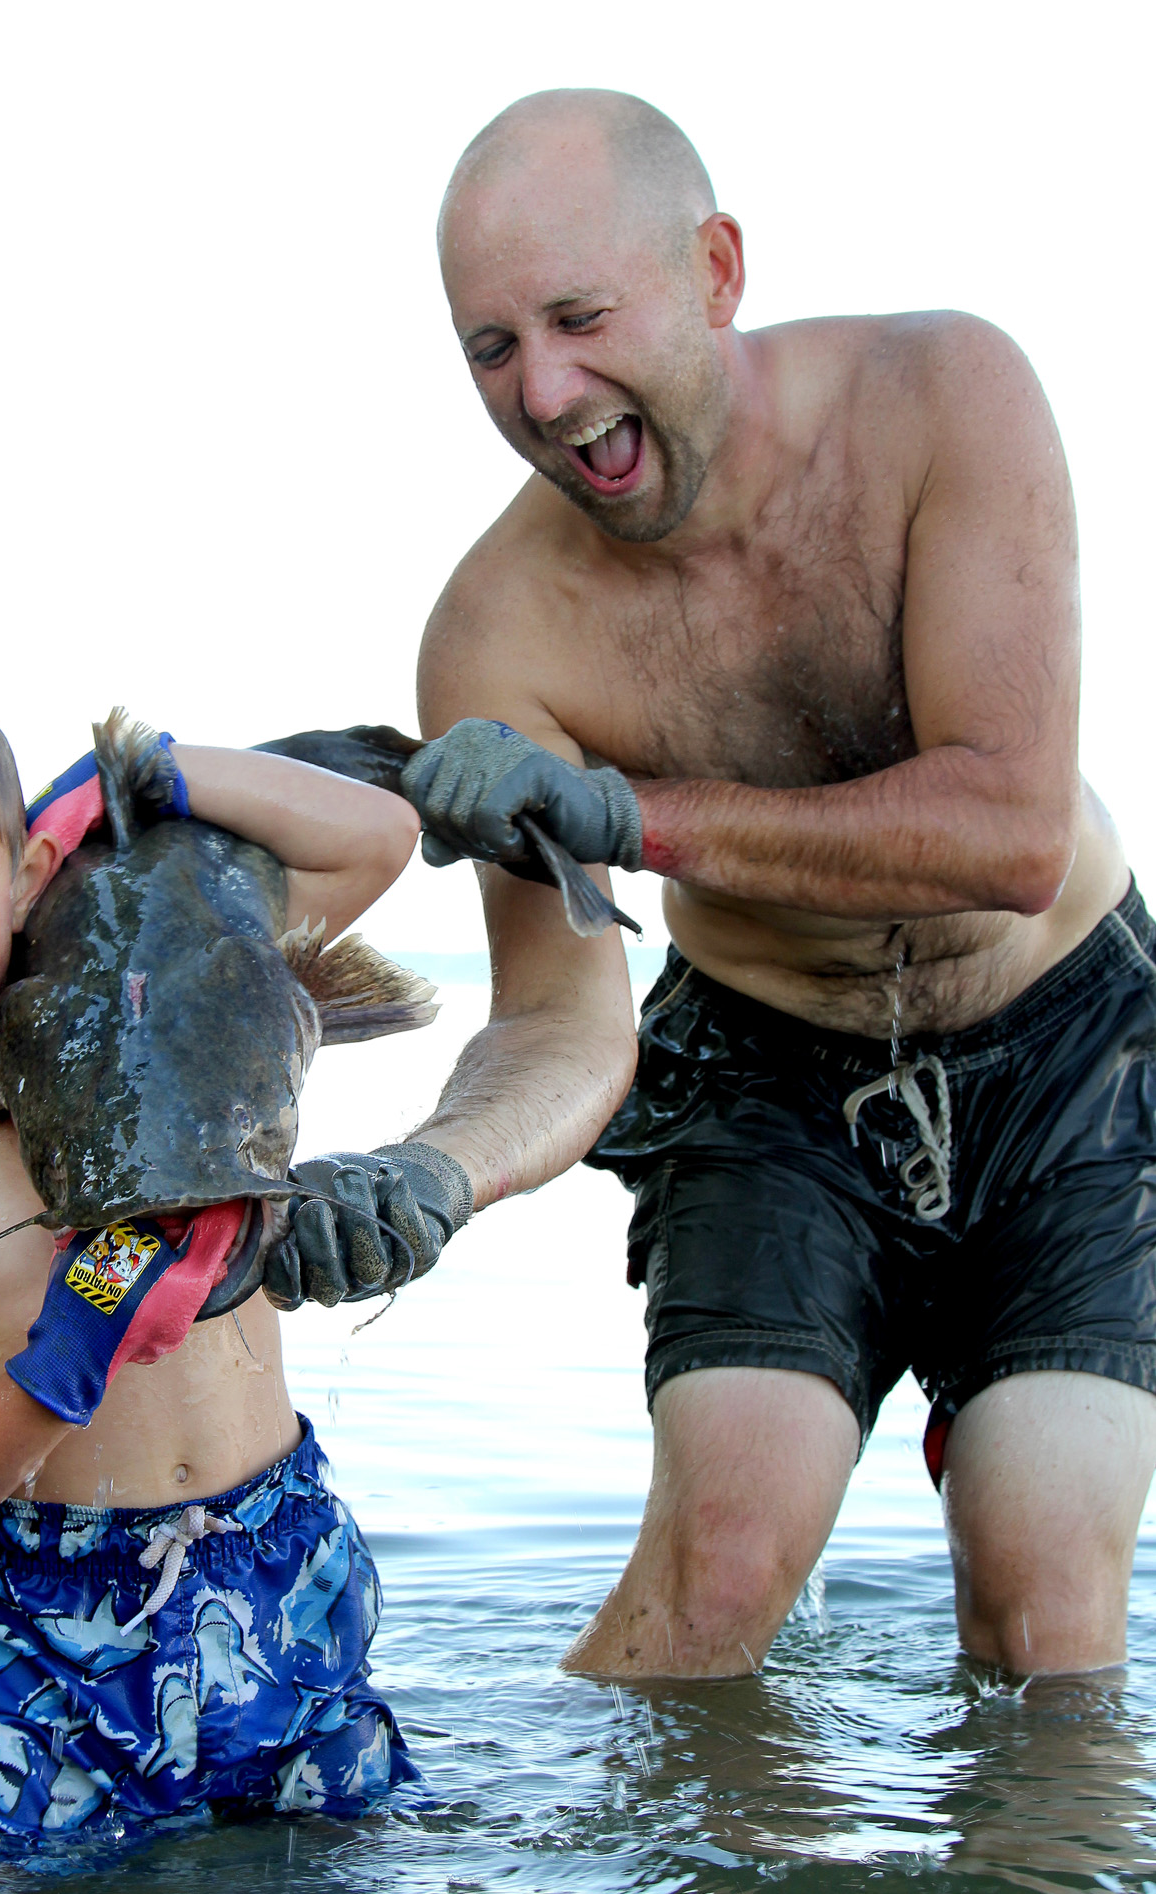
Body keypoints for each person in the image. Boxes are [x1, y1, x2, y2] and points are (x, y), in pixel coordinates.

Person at [273, 88, 1156, 1681]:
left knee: (1043, 1616)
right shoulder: (495, 636)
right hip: (760, 1071)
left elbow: (1005, 824)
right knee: (712, 1586)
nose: (542, 392)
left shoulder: (943, 392)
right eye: (487, 348)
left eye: (577, 318)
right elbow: (557, 1020)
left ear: (715, 272)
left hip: (1066, 1050)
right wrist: (430, 1178)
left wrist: (622, 813)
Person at [0, 673, 423, 1844]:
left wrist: (148, 776)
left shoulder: (159, 984)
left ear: (28, 876)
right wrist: (62, 1365)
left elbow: (378, 835)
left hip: (285, 1554)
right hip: (44, 1630)